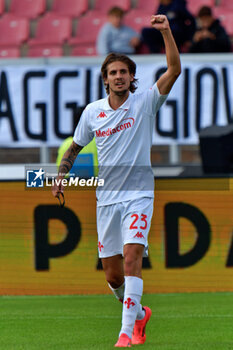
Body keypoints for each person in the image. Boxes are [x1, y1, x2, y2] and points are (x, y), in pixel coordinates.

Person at [52, 14, 181, 348]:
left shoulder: (145, 102)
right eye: (113, 73)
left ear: (132, 77)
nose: (119, 77)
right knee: (112, 275)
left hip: (139, 194)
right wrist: (60, 176)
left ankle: (125, 333)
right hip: (106, 198)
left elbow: (174, 71)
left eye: (124, 72)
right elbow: (75, 147)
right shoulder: (93, 112)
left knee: (132, 256)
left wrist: (166, 32)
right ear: (105, 80)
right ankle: (139, 314)